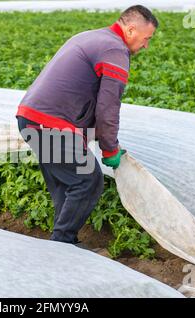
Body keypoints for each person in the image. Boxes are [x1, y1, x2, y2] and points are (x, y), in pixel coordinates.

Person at [15, 5, 158, 245]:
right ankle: (62, 242)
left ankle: (61, 246)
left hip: (32, 120)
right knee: (87, 181)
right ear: (131, 30)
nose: (146, 46)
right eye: (146, 39)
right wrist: (110, 149)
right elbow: (107, 107)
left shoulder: (92, 36)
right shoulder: (115, 50)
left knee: (66, 184)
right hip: (51, 125)